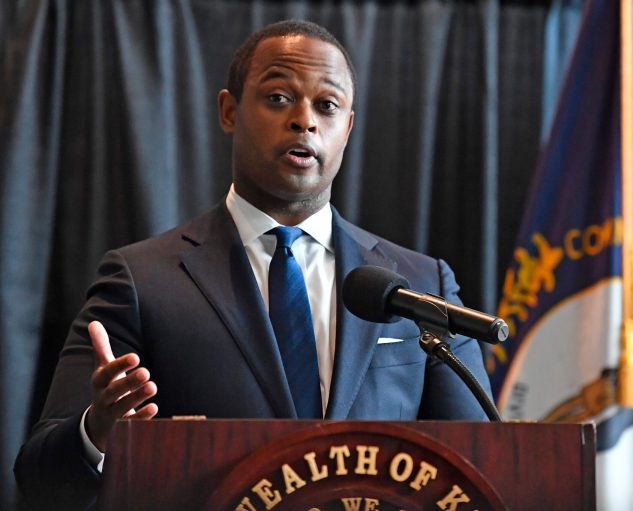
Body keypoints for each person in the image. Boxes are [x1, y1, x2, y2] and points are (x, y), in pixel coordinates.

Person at [14, 19, 491, 510]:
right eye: (279, 97)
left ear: (347, 127)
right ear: (229, 111)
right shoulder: (142, 280)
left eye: (327, 106)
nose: (304, 120)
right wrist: (97, 431)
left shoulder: (418, 283)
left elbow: (480, 465)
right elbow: (40, 480)